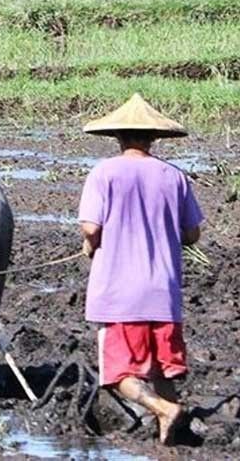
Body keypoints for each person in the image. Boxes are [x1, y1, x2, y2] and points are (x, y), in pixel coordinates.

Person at [77, 93, 204, 445]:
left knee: (118, 374)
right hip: (163, 293)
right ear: (153, 138)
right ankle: (173, 434)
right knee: (165, 369)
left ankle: (162, 410)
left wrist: (91, 244)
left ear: (118, 137)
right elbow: (192, 233)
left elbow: (90, 228)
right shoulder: (174, 177)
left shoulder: (104, 173)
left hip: (119, 294)